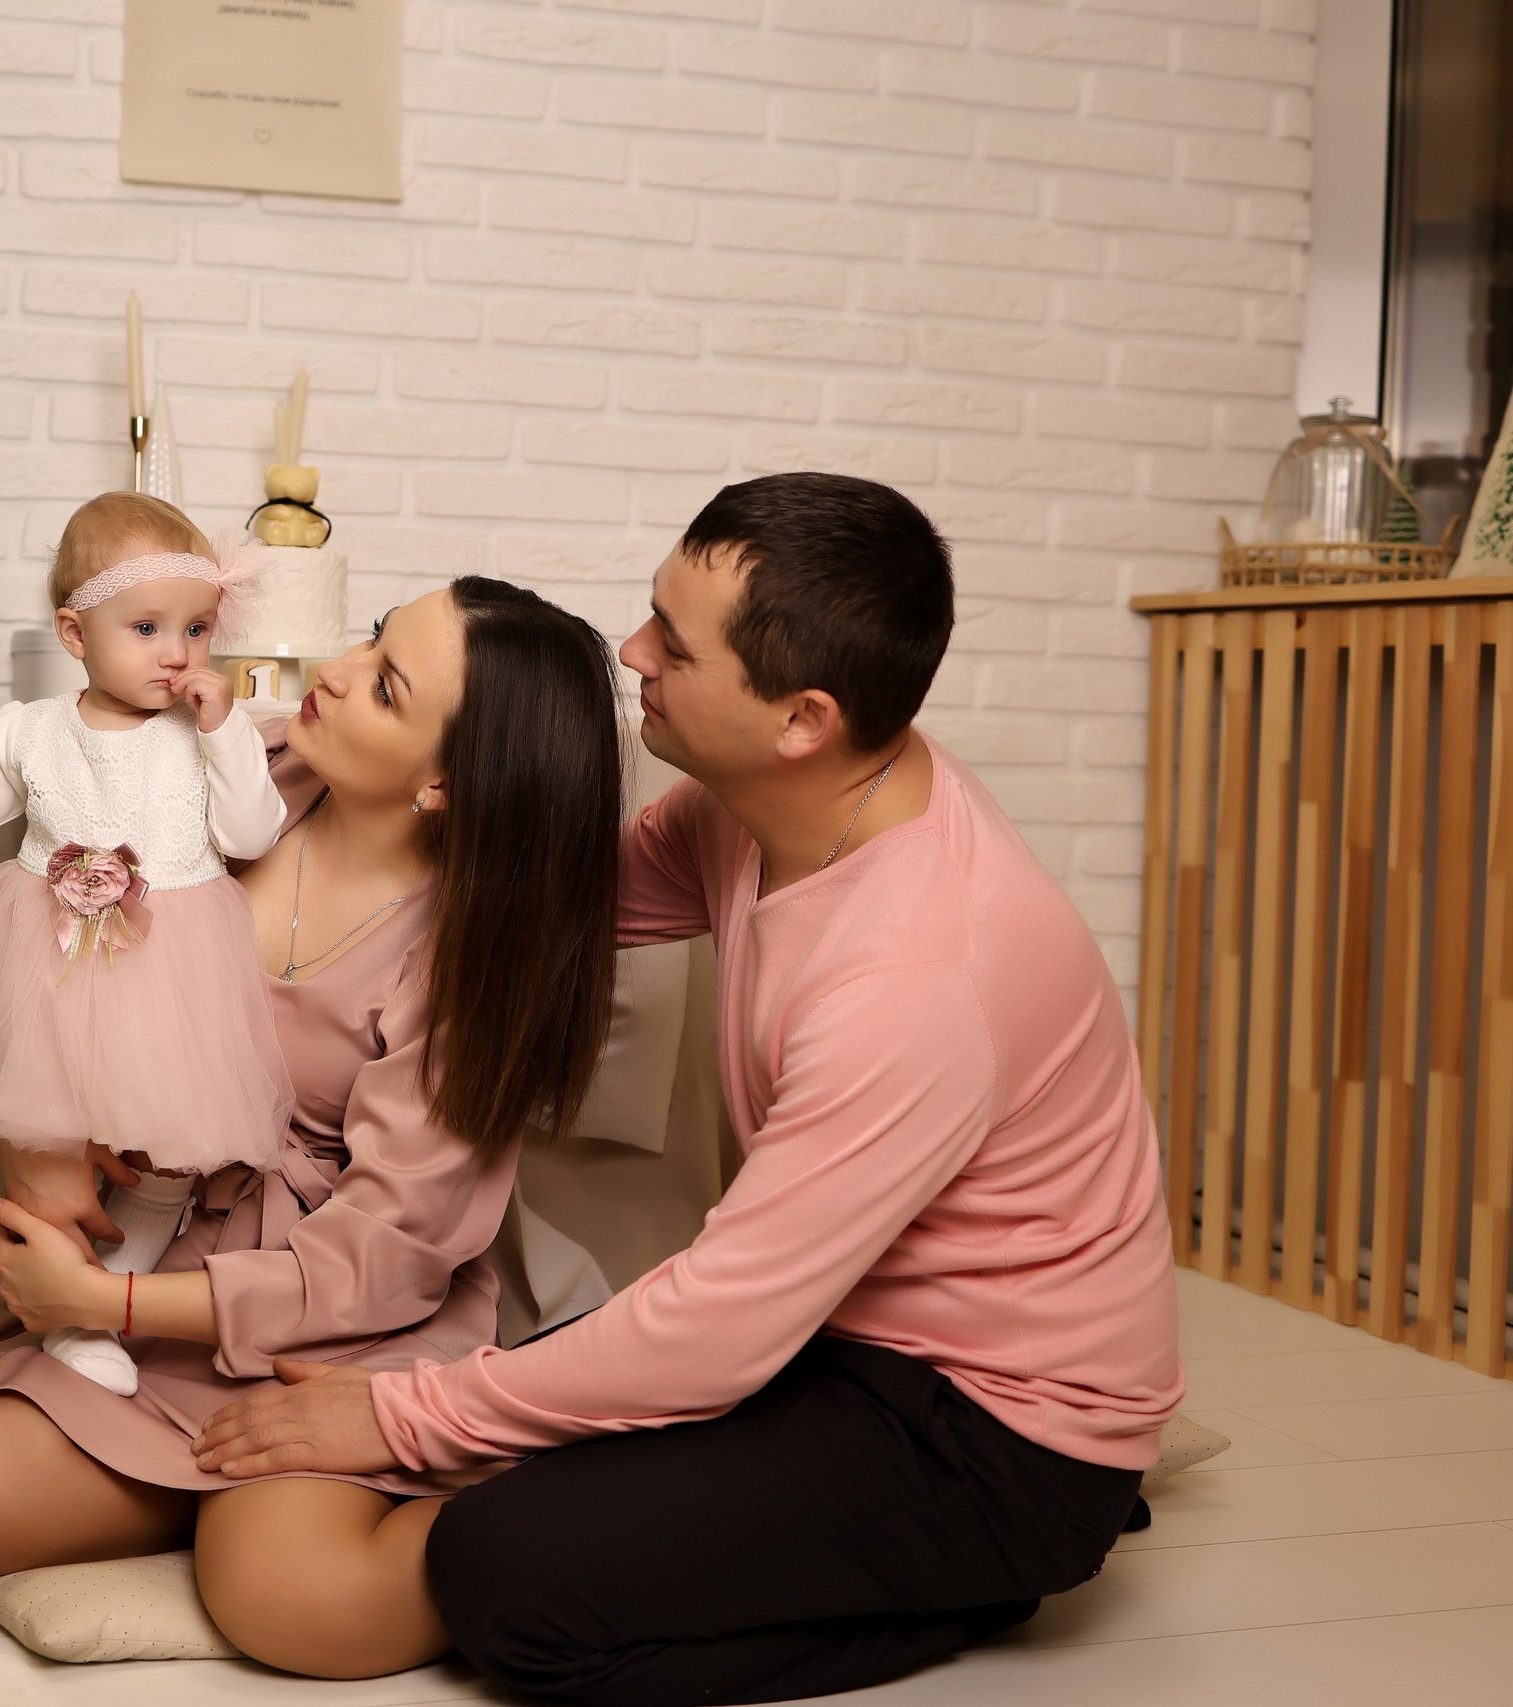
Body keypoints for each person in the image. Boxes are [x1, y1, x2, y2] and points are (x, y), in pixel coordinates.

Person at [195, 472, 1185, 1704]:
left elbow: (715, 1328)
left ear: (800, 719)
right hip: (817, 1337)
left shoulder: (921, 974)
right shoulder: (756, 809)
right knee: (555, 1407)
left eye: (674, 641)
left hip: (988, 1432)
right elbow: (539, 895)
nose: (632, 651)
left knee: (506, 1583)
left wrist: (399, 1419)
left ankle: (990, 1579)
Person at [0, 577, 626, 1682]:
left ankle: (500, 1471)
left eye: (383, 684)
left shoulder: (466, 957)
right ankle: (218, 1493)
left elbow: (389, 1249)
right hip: (160, 1245)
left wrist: (113, 1304)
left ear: (443, 782)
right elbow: (22, 952)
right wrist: (68, 1134)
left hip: (337, 1324)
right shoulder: (230, 769)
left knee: (298, 1611)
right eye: (372, 636)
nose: (330, 669)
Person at [0, 491, 293, 1398]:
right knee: (61, 1153)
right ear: (75, 634)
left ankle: (105, 1299)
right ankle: (67, 1322)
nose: (176, 652)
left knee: (171, 1156)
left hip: (172, 967)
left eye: (196, 628)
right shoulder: (34, 730)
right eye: (147, 626)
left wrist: (227, 733)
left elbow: (252, 833)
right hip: (59, 967)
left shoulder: (200, 734)